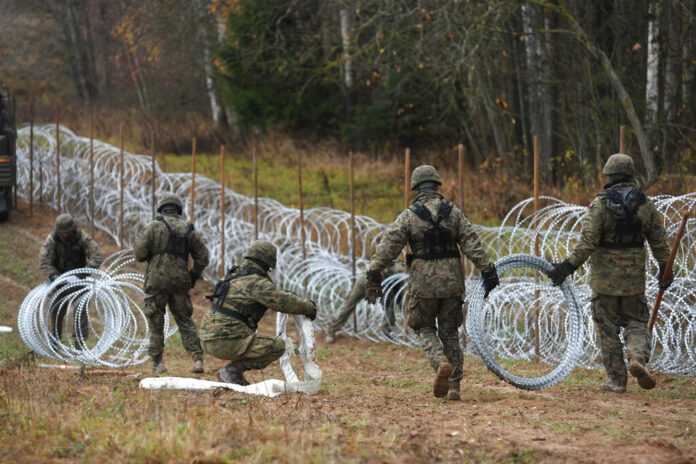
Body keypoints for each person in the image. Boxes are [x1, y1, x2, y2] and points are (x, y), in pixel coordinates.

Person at [366, 165, 499, 400]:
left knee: (423, 327)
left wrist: (373, 274)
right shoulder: (453, 212)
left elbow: (388, 247)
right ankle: (455, 387)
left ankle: (440, 363)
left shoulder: (409, 216)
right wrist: (488, 270)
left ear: (416, 187)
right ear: (437, 185)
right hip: (452, 283)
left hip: (422, 284)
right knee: (449, 332)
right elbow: (471, 243)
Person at [547, 153, 672, 393]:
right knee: (636, 322)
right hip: (634, 280)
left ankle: (617, 380)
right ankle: (636, 358)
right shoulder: (645, 204)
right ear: (631, 174)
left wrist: (566, 267)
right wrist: (666, 270)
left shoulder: (601, 204)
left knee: (607, 329)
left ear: (608, 175)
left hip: (604, 282)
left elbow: (587, 243)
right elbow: (660, 243)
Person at [199, 240, 318, 385]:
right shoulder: (256, 283)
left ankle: (232, 372)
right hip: (224, 342)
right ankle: (232, 371)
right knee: (278, 346)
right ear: (268, 262)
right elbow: (284, 302)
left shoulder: (235, 275)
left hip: (206, 339)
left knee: (255, 337)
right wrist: (309, 307)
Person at [134, 193, 209, 374]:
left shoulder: (153, 227)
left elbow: (139, 254)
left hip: (156, 282)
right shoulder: (188, 229)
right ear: (178, 210)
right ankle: (197, 360)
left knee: (155, 322)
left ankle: (158, 363)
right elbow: (203, 258)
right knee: (185, 321)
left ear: (161, 208)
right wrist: (192, 276)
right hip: (180, 283)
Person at [39, 213, 102, 348]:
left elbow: (96, 256)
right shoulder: (52, 240)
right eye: (63, 233)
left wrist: (82, 274)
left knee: (81, 312)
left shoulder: (83, 238)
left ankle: (80, 344)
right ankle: (54, 342)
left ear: (73, 229)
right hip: (59, 282)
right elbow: (45, 261)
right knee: (55, 311)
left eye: (68, 233)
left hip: (79, 281)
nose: (65, 236)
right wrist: (54, 276)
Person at [326, 260, 406, 344]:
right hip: (376, 282)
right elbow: (401, 297)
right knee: (389, 306)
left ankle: (331, 331)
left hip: (363, 279)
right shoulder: (403, 270)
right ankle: (386, 333)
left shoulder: (387, 259)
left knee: (348, 304)